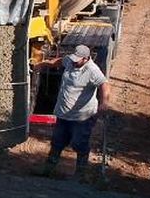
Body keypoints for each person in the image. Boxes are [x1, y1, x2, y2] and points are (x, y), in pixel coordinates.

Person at [39, 44, 109, 179]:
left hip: (82, 117)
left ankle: (80, 175)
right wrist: (44, 64)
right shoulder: (70, 61)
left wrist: (104, 103)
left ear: (86, 59)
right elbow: (59, 61)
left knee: (79, 143)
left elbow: (104, 85)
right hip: (63, 113)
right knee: (57, 141)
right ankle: (48, 170)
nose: (74, 62)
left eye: (77, 60)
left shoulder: (92, 70)